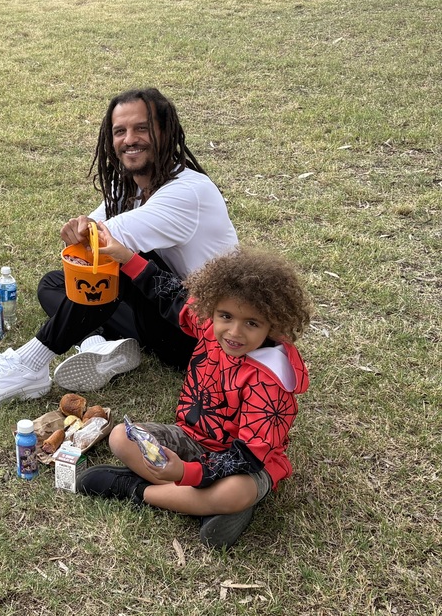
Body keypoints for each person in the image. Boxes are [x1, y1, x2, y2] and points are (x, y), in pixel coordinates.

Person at [0, 88, 238, 409]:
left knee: (111, 262)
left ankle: (30, 365)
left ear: (165, 131)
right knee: (54, 283)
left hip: (208, 336)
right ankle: (97, 345)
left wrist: (86, 235)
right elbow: (84, 239)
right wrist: (78, 230)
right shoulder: (127, 185)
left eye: (142, 128)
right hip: (163, 320)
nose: (130, 139)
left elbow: (99, 243)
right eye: (120, 131)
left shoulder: (189, 191)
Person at [76, 235, 312, 549]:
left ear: (274, 327)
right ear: (211, 309)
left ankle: (136, 489)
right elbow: (170, 294)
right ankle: (200, 503)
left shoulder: (271, 383)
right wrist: (124, 257)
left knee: (234, 492)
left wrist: (185, 471)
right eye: (226, 316)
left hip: (246, 465)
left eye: (252, 323)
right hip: (191, 438)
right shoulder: (208, 324)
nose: (234, 332)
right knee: (121, 437)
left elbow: (246, 458)